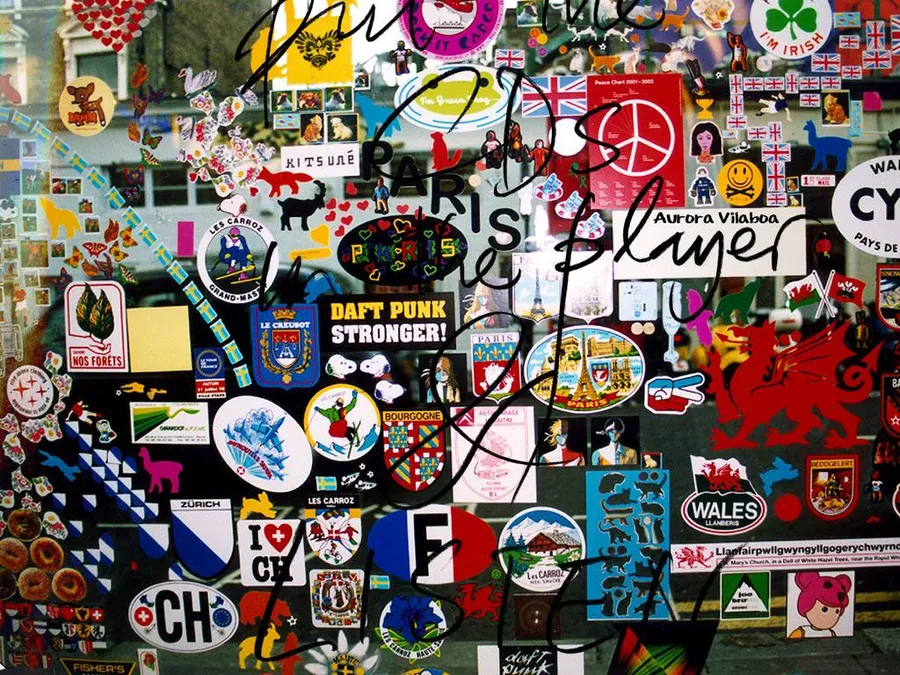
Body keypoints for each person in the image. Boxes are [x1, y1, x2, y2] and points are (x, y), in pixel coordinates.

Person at [788, 571, 852, 639]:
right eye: (824, 609)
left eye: (837, 611)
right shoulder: (802, 631)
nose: (830, 617)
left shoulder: (831, 633)